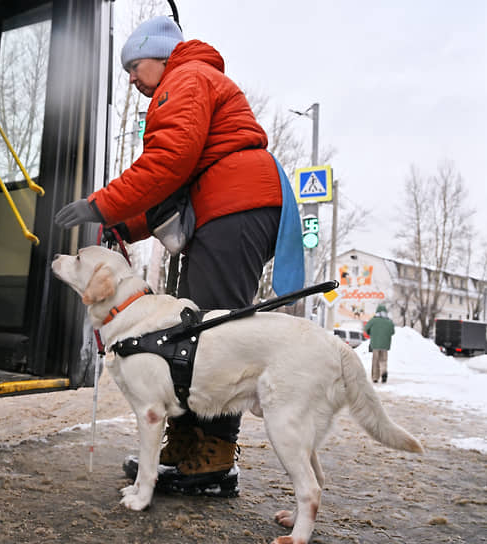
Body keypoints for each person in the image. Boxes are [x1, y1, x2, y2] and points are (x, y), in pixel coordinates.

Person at [55, 16, 304, 497]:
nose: (131, 77)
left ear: (161, 55)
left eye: (134, 65)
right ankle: (185, 445)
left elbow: (168, 162)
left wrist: (102, 203)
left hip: (236, 209)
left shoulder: (184, 78)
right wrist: (123, 223)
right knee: (189, 330)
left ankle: (213, 458)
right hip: (226, 210)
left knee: (216, 332)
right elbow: (176, 185)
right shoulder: (191, 80)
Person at [365, 304, 395, 383]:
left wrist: (371, 333)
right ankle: (383, 372)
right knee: (383, 361)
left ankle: (375, 377)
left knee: (375, 361)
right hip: (385, 345)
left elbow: (366, 328)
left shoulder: (373, 320)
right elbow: (392, 332)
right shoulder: (389, 321)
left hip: (375, 344)